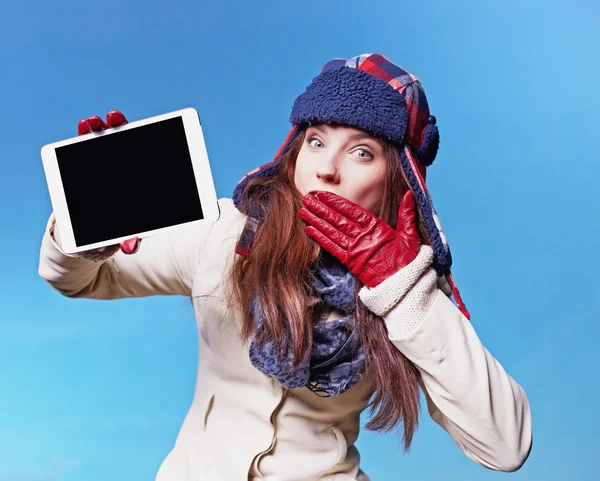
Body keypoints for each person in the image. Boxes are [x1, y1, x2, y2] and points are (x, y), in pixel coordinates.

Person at [38, 53, 532, 480]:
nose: (326, 168)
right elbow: (83, 278)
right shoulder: (225, 231)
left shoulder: (413, 291)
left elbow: (504, 446)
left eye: (361, 152)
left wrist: (402, 286)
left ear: (398, 180)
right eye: (316, 141)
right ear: (295, 150)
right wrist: (84, 222)